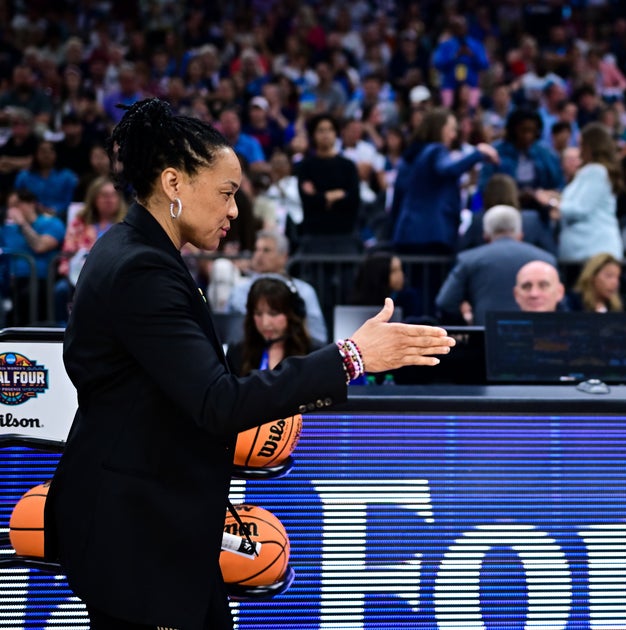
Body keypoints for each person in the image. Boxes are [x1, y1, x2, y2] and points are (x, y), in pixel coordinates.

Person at [44, 98, 455, 629]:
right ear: (174, 184)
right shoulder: (141, 269)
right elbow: (218, 402)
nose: (235, 210)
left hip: (147, 523)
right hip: (135, 532)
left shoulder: (134, 251)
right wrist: (352, 357)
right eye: (227, 192)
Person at [392, 108, 498, 255]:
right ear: (439, 128)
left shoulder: (410, 156)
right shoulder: (436, 150)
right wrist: (479, 153)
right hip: (432, 235)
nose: (454, 136)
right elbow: (449, 170)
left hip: (407, 233)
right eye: (451, 129)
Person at [436, 204, 557, 324]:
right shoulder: (546, 260)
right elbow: (560, 302)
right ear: (521, 234)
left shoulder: (468, 259)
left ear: (485, 236)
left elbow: (445, 302)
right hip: (537, 335)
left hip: (485, 335)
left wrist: (466, 324)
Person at [228, 229, 328, 343]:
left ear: (284, 257)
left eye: (266, 250)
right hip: (248, 352)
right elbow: (230, 332)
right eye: (257, 249)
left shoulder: (304, 291)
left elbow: (318, 336)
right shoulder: (239, 290)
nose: (259, 255)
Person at [54, 176, 127, 323]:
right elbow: (67, 252)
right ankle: (63, 330)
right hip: (79, 276)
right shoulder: (79, 222)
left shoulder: (126, 223)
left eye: (113, 195)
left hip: (115, 277)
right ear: (94, 198)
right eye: (104, 195)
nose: (109, 200)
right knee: (61, 289)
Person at [226, 276, 322, 378]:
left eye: (273, 314)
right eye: (258, 314)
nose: (265, 323)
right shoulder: (237, 353)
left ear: (291, 314)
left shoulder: (313, 354)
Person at [556, 122, 623, 263]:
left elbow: (580, 209)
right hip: (587, 252)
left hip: (594, 252)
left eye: (581, 145)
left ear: (591, 146)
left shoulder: (596, 171)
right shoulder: (591, 171)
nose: (579, 151)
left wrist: (552, 204)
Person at [295, 113, 363, 253]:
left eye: (330, 129)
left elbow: (353, 200)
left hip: (345, 235)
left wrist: (320, 196)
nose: (326, 134)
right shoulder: (305, 166)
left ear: (336, 133)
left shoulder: (348, 166)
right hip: (314, 237)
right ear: (313, 135)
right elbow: (308, 201)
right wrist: (335, 195)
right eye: (321, 130)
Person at [2, 189, 65, 325]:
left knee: (27, 294)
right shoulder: (6, 228)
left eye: (17, 204)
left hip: (39, 279)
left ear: (32, 204)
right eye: (10, 206)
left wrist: (23, 224)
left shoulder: (52, 223)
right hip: (9, 279)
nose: (13, 210)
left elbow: (40, 246)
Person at [349, 250, 421, 319]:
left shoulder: (408, 298)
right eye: (394, 271)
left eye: (400, 269)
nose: (401, 275)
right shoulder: (359, 302)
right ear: (380, 274)